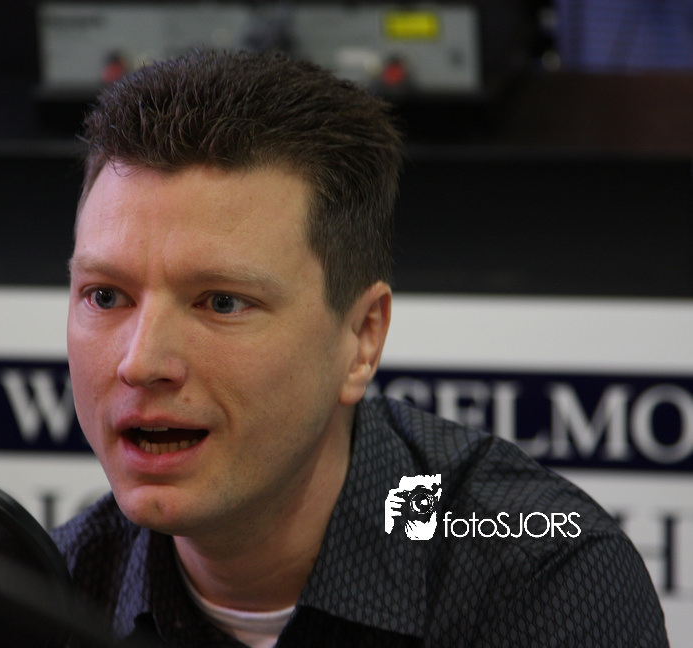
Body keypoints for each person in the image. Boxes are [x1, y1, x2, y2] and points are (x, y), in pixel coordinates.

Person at [55, 49, 668, 647]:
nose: (141, 362)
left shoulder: (543, 581)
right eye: (105, 296)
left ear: (362, 338)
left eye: (222, 302)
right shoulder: (50, 590)